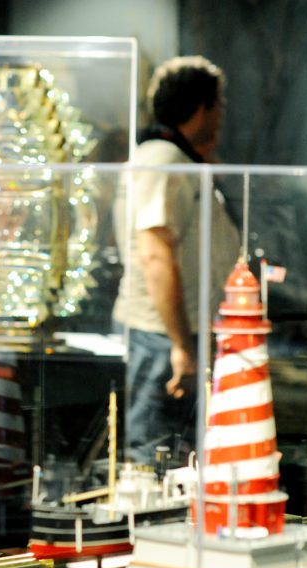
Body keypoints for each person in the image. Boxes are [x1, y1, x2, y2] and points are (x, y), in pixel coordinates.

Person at [112, 55, 240, 464]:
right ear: (201, 107)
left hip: (175, 331)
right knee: (157, 451)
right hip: (163, 334)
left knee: (174, 451)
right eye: (219, 105)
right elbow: (154, 254)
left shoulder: (174, 159)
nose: (222, 116)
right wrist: (181, 345)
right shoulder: (163, 161)